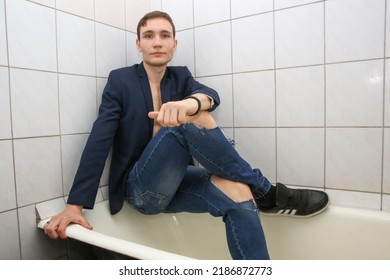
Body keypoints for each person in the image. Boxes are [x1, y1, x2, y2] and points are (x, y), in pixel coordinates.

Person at [44, 11, 329, 260]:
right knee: (184, 124)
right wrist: (74, 205)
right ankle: (265, 190)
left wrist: (187, 103)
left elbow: (211, 96)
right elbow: (99, 139)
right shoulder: (121, 80)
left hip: (178, 181)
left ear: (174, 44)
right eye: (149, 35)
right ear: (138, 44)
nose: (157, 42)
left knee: (239, 192)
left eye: (165, 35)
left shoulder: (180, 77)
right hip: (140, 188)